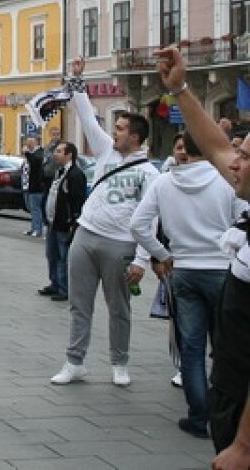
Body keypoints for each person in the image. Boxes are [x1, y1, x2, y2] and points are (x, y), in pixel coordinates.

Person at [156, 49, 250, 468]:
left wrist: (243, 446)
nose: (233, 162)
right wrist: (179, 89)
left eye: (244, 157)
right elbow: (214, 146)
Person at [50, 56, 159, 388]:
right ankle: (75, 361)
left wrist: (142, 259)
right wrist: (77, 80)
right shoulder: (106, 152)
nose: (115, 132)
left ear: (136, 137)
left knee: (119, 307)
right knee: (78, 304)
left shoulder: (150, 173)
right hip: (87, 235)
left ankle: (119, 363)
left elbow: (149, 220)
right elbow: (86, 118)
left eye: (122, 129)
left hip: (120, 244)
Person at [131, 131, 248, 439]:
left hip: (183, 269)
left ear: (184, 150)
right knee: (225, 348)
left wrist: (161, 254)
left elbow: (138, 225)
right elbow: (243, 219)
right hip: (224, 270)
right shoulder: (225, 181)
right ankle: (228, 414)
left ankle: (199, 416)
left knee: (191, 348)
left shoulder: (163, 182)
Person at [40, 141, 86, 301]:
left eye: (59, 151)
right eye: (56, 151)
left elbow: (77, 200)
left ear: (69, 155)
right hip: (52, 222)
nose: (55, 154)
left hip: (64, 223)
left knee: (63, 257)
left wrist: (73, 220)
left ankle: (64, 288)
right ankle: (54, 283)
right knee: (51, 255)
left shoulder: (75, 174)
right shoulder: (58, 172)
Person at [21, 136, 48, 238]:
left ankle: (37, 229)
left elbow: (36, 163)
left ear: (37, 142)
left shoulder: (39, 153)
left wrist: (27, 153)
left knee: (36, 208)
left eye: (31, 142)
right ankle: (33, 228)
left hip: (36, 186)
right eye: (27, 142)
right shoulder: (30, 155)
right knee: (30, 208)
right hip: (27, 185)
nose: (28, 144)